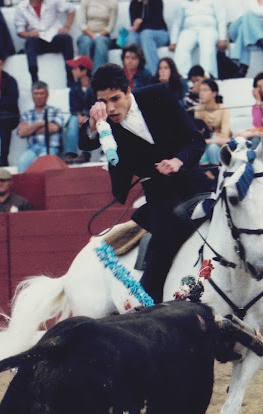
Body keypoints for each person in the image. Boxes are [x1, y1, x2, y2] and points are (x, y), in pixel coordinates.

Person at [78, 63, 210, 303]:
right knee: (164, 237)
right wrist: (92, 122)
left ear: (128, 91)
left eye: (115, 98)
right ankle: (150, 305)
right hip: (159, 193)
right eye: (103, 101)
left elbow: (195, 140)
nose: (111, 107)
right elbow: (85, 143)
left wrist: (178, 161)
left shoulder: (158, 94)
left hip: (192, 181)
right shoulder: (104, 121)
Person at [14, 0, 76, 85]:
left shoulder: (52, 1)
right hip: (38, 41)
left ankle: (71, 79)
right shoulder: (21, 7)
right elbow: (20, 31)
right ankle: (35, 81)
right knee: (30, 42)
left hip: (54, 37)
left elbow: (71, 9)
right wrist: (29, 34)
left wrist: (67, 27)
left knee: (66, 38)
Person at [168, 0, 228, 80]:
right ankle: (182, 76)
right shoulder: (183, 2)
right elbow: (177, 22)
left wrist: (222, 38)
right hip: (189, 30)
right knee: (182, 48)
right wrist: (173, 41)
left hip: (209, 29)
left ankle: (207, 75)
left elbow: (221, 19)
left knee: (207, 47)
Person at [16, 81, 64, 172]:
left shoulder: (55, 111)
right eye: (36, 93)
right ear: (32, 95)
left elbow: (54, 128)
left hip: (50, 148)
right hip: (32, 149)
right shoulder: (26, 114)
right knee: (22, 163)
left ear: (47, 95)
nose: (39, 96)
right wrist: (42, 123)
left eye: (41, 93)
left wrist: (30, 130)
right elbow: (22, 132)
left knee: (43, 164)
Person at [228, 0, 263, 79]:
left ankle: (243, 67)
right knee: (248, 14)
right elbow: (253, 10)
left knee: (243, 29)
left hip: (258, 29)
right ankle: (261, 40)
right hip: (237, 26)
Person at [63, 55, 96, 164]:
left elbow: (95, 102)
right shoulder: (74, 87)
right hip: (78, 115)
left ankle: (86, 152)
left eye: (75, 68)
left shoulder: (95, 87)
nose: (72, 71)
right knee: (73, 122)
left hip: (92, 115)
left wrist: (86, 115)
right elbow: (73, 106)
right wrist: (79, 115)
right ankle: (70, 152)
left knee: (89, 123)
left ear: (84, 71)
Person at [126, 0, 170, 76]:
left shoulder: (157, 2)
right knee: (131, 37)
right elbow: (134, 24)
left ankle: (154, 74)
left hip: (160, 33)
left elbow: (156, 23)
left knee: (146, 34)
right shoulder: (134, 3)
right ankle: (131, 75)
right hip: (142, 34)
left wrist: (140, 24)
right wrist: (136, 25)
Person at [194, 78, 231, 166]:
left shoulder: (223, 109)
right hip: (205, 141)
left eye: (205, 90)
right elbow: (198, 132)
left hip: (220, 142)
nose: (201, 93)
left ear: (214, 93)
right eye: (200, 90)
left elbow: (225, 135)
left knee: (212, 148)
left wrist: (210, 141)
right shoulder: (198, 109)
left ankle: (215, 170)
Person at [76, 0, 117, 73]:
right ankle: (84, 75)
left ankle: (98, 76)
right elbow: (81, 23)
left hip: (104, 35)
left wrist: (98, 35)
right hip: (87, 34)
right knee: (85, 42)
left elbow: (111, 27)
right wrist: (92, 35)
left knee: (100, 42)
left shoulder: (113, 2)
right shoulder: (85, 1)